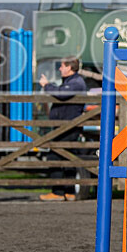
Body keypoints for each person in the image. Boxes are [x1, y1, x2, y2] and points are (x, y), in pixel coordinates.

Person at [38, 57, 86, 201]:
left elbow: (61, 94)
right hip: (65, 126)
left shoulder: (76, 82)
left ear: (69, 68)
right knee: (67, 156)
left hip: (68, 126)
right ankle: (68, 192)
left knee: (56, 156)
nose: (60, 69)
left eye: (62, 66)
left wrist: (46, 85)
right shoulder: (72, 82)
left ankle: (58, 192)